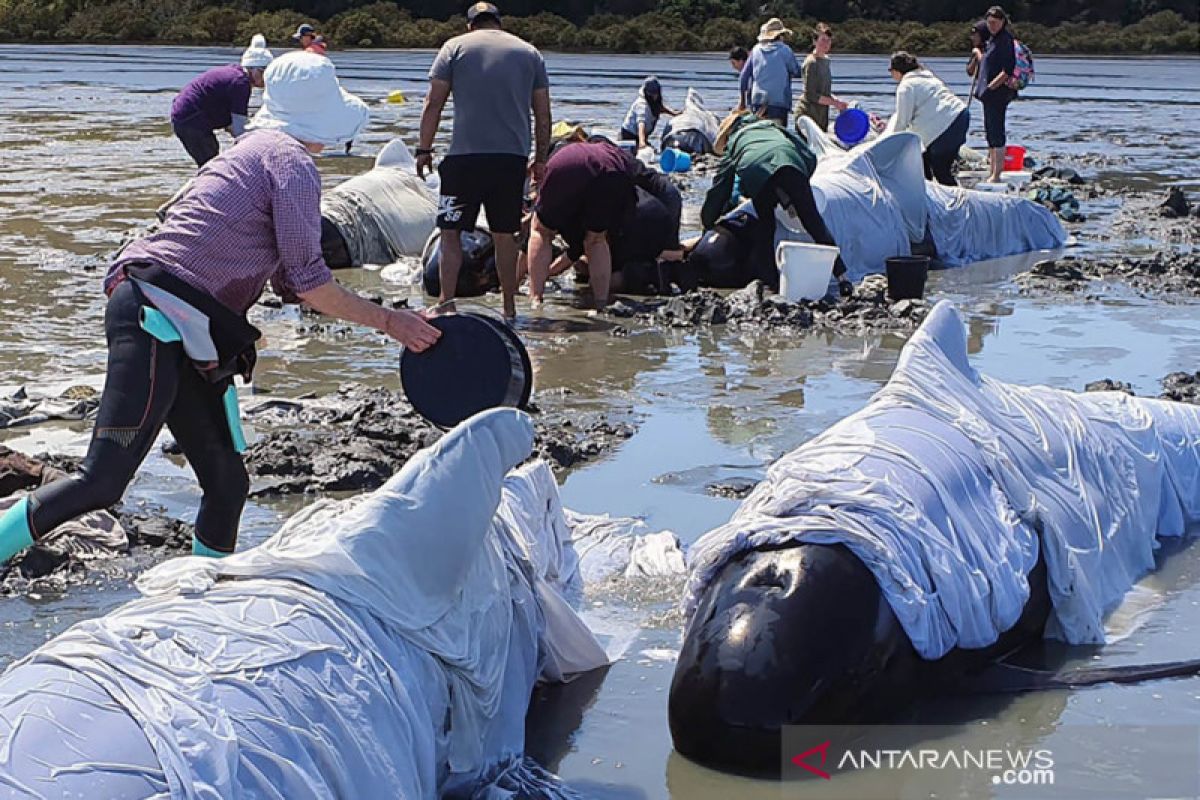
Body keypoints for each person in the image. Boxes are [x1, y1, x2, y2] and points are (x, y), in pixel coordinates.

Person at [0, 52, 440, 568]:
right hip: (153, 314)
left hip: (179, 322)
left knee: (228, 481)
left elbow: (289, 281)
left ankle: (207, 592)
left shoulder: (252, 149)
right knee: (103, 479)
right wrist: (392, 322)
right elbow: (312, 283)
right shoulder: (292, 162)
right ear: (323, 118)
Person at [416, 2, 551, 319]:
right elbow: (543, 116)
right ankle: (508, 308)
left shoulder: (454, 48)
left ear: (469, 26)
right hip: (510, 160)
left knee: (450, 232)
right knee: (505, 235)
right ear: (499, 24)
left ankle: (446, 303)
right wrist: (541, 159)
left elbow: (433, 102)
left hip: (463, 160)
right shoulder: (529, 53)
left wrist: (424, 148)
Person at [701, 112, 851, 296]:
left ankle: (771, 283)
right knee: (814, 223)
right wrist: (801, 187)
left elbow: (720, 188)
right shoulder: (772, 127)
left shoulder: (735, 142)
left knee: (766, 229)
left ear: (728, 133)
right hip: (791, 163)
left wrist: (707, 221)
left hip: (757, 172)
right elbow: (807, 154)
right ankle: (843, 278)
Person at [527, 138, 636, 310]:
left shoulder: (558, 156)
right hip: (617, 168)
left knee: (541, 230)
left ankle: (536, 299)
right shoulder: (608, 149)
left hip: (571, 163)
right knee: (597, 239)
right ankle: (600, 303)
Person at [170, 35, 272, 168]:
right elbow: (239, 129)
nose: (267, 79)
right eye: (265, 73)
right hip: (190, 119)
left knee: (213, 159)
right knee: (211, 165)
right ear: (254, 70)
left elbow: (231, 124)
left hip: (185, 115)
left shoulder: (236, 76)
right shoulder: (241, 84)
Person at [882, 51, 970, 186]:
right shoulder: (927, 77)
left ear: (897, 71)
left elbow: (902, 121)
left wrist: (890, 145)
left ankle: (954, 200)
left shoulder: (906, 86)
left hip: (945, 125)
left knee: (941, 169)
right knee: (925, 159)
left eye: (891, 72)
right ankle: (928, 188)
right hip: (960, 115)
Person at [977, 6, 1016, 182]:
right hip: (988, 96)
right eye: (989, 22)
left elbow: (1008, 69)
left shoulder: (1005, 40)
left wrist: (991, 88)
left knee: (996, 131)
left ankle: (997, 174)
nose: (992, 26)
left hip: (998, 94)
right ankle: (992, 170)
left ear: (1002, 22)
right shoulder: (991, 40)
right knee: (989, 131)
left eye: (995, 22)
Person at [738, 18, 801, 125]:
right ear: (780, 36)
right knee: (779, 133)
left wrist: (743, 102)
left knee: (758, 131)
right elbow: (797, 71)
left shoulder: (756, 50)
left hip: (757, 101)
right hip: (779, 102)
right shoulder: (785, 50)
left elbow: (744, 77)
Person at [795, 22, 848, 132]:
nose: (826, 44)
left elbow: (824, 91)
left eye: (828, 40)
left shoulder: (826, 61)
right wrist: (834, 103)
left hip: (821, 116)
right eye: (823, 40)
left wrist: (837, 102)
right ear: (815, 41)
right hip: (807, 116)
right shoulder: (811, 63)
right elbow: (811, 95)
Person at [620, 76, 676, 150]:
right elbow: (641, 125)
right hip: (630, 135)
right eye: (652, 93)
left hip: (643, 134)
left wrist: (673, 113)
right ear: (647, 92)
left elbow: (660, 108)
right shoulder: (642, 105)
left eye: (656, 92)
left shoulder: (654, 101)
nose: (655, 95)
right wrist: (642, 142)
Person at [966, 20, 989, 94]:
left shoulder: (991, 48)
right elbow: (970, 72)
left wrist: (978, 53)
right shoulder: (978, 49)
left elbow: (986, 65)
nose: (972, 38)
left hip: (995, 89)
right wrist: (975, 58)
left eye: (975, 35)